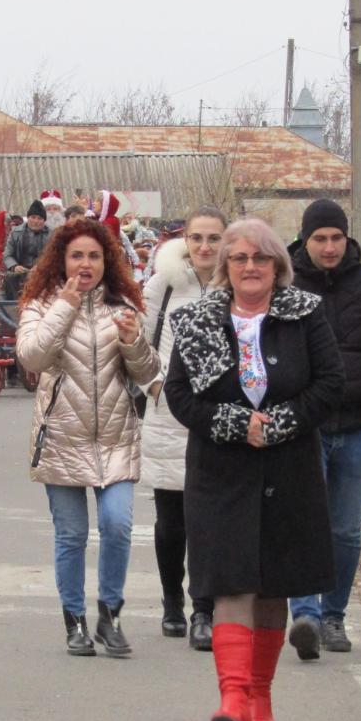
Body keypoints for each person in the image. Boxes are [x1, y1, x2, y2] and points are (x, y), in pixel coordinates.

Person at [165, 217, 344, 721]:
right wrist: (234, 424)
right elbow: (179, 394)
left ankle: (260, 696)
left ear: (277, 265)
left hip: (289, 469)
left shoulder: (305, 313)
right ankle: (233, 698)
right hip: (220, 471)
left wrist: (280, 424)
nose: (250, 267)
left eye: (260, 258)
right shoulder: (197, 320)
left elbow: (330, 383)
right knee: (230, 580)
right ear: (225, 266)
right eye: (239, 258)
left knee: (272, 585)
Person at [16, 217, 160, 659]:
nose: (85, 264)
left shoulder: (124, 305)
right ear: (61, 260)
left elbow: (148, 373)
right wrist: (65, 305)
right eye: (76, 255)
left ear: (106, 261)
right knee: (72, 534)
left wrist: (134, 342)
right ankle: (74, 621)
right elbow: (32, 358)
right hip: (62, 436)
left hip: (115, 438)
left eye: (94, 256)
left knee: (117, 525)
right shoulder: (42, 304)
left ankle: (110, 615)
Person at [286, 199, 361, 658]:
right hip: (305, 426)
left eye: (336, 237)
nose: (329, 247)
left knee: (345, 529)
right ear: (305, 240)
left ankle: (334, 616)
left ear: (347, 237)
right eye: (320, 238)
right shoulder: (285, 284)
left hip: (360, 427)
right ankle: (306, 616)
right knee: (303, 521)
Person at [139, 207, 226, 651]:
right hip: (169, 415)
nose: (205, 247)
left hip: (219, 418)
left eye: (214, 238)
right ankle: (172, 600)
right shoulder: (164, 283)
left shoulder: (237, 283)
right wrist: (154, 385)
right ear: (185, 241)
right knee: (171, 521)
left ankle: (204, 609)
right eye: (197, 238)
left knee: (211, 522)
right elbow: (136, 341)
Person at [3, 200, 51, 299]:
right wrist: (14, 266)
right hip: (20, 272)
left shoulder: (52, 235)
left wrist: (41, 267)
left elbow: (54, 256)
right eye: (33, 217)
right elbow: (7, 255)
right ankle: (13, 304)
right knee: (9, 277)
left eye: (39, 218)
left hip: (44, 272)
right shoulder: (16, 233)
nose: (36, 221)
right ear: (28, 218)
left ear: (44, 221)